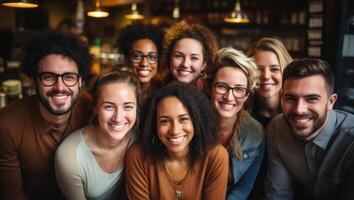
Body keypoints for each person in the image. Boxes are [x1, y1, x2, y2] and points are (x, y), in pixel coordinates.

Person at [0, 30, 92, 199]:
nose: (59, 87)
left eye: (69, 77)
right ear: (34, 80)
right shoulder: (7, 124)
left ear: (80, 81)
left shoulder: (93, 110)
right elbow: (12, 195)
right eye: (48, 77)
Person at [265, 58, 354, 200]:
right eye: (290, 98)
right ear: (282, 98)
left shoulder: (353, 141)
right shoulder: (277, 128)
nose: (299, 110)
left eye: (311, 99)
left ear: (330, 102)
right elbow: (278, 194)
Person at [125, 82, 229, 200]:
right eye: (165, 121)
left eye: (183, 119)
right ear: (154, 125)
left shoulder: (216, 156)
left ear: (196, 121)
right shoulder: (137, 155)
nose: (175, 130)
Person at [55, 69, 140, 199]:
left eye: (128, 106)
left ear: (136, 109)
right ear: (95, 108)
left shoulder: (140, 139)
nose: (118, 118)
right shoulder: (69, 156)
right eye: (109, 106)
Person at [207, 47, 265, 200]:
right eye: (222, 86)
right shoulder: (191, 124)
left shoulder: (256, 132)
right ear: (210, 87)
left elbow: (243, 188)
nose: (229, 97)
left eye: (239, 89)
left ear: (247, 95)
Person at [160, 20, 218, 91]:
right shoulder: (158, 91)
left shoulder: (212, 95)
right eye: (179, 56)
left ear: (204, 64)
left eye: (194, 58)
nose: (185, 64)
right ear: (169, 58)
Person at [247, 37, 292, 127]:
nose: (266, 76)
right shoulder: (241, 113)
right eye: (258, 69)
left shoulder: (295, 112)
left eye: (274, 69)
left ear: (286, 72)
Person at [117, 23, 164, 103]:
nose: (144, 63)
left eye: (152, 57)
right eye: (137, 56)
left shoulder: (163, 92)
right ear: (126, 60)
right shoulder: (115, 89)